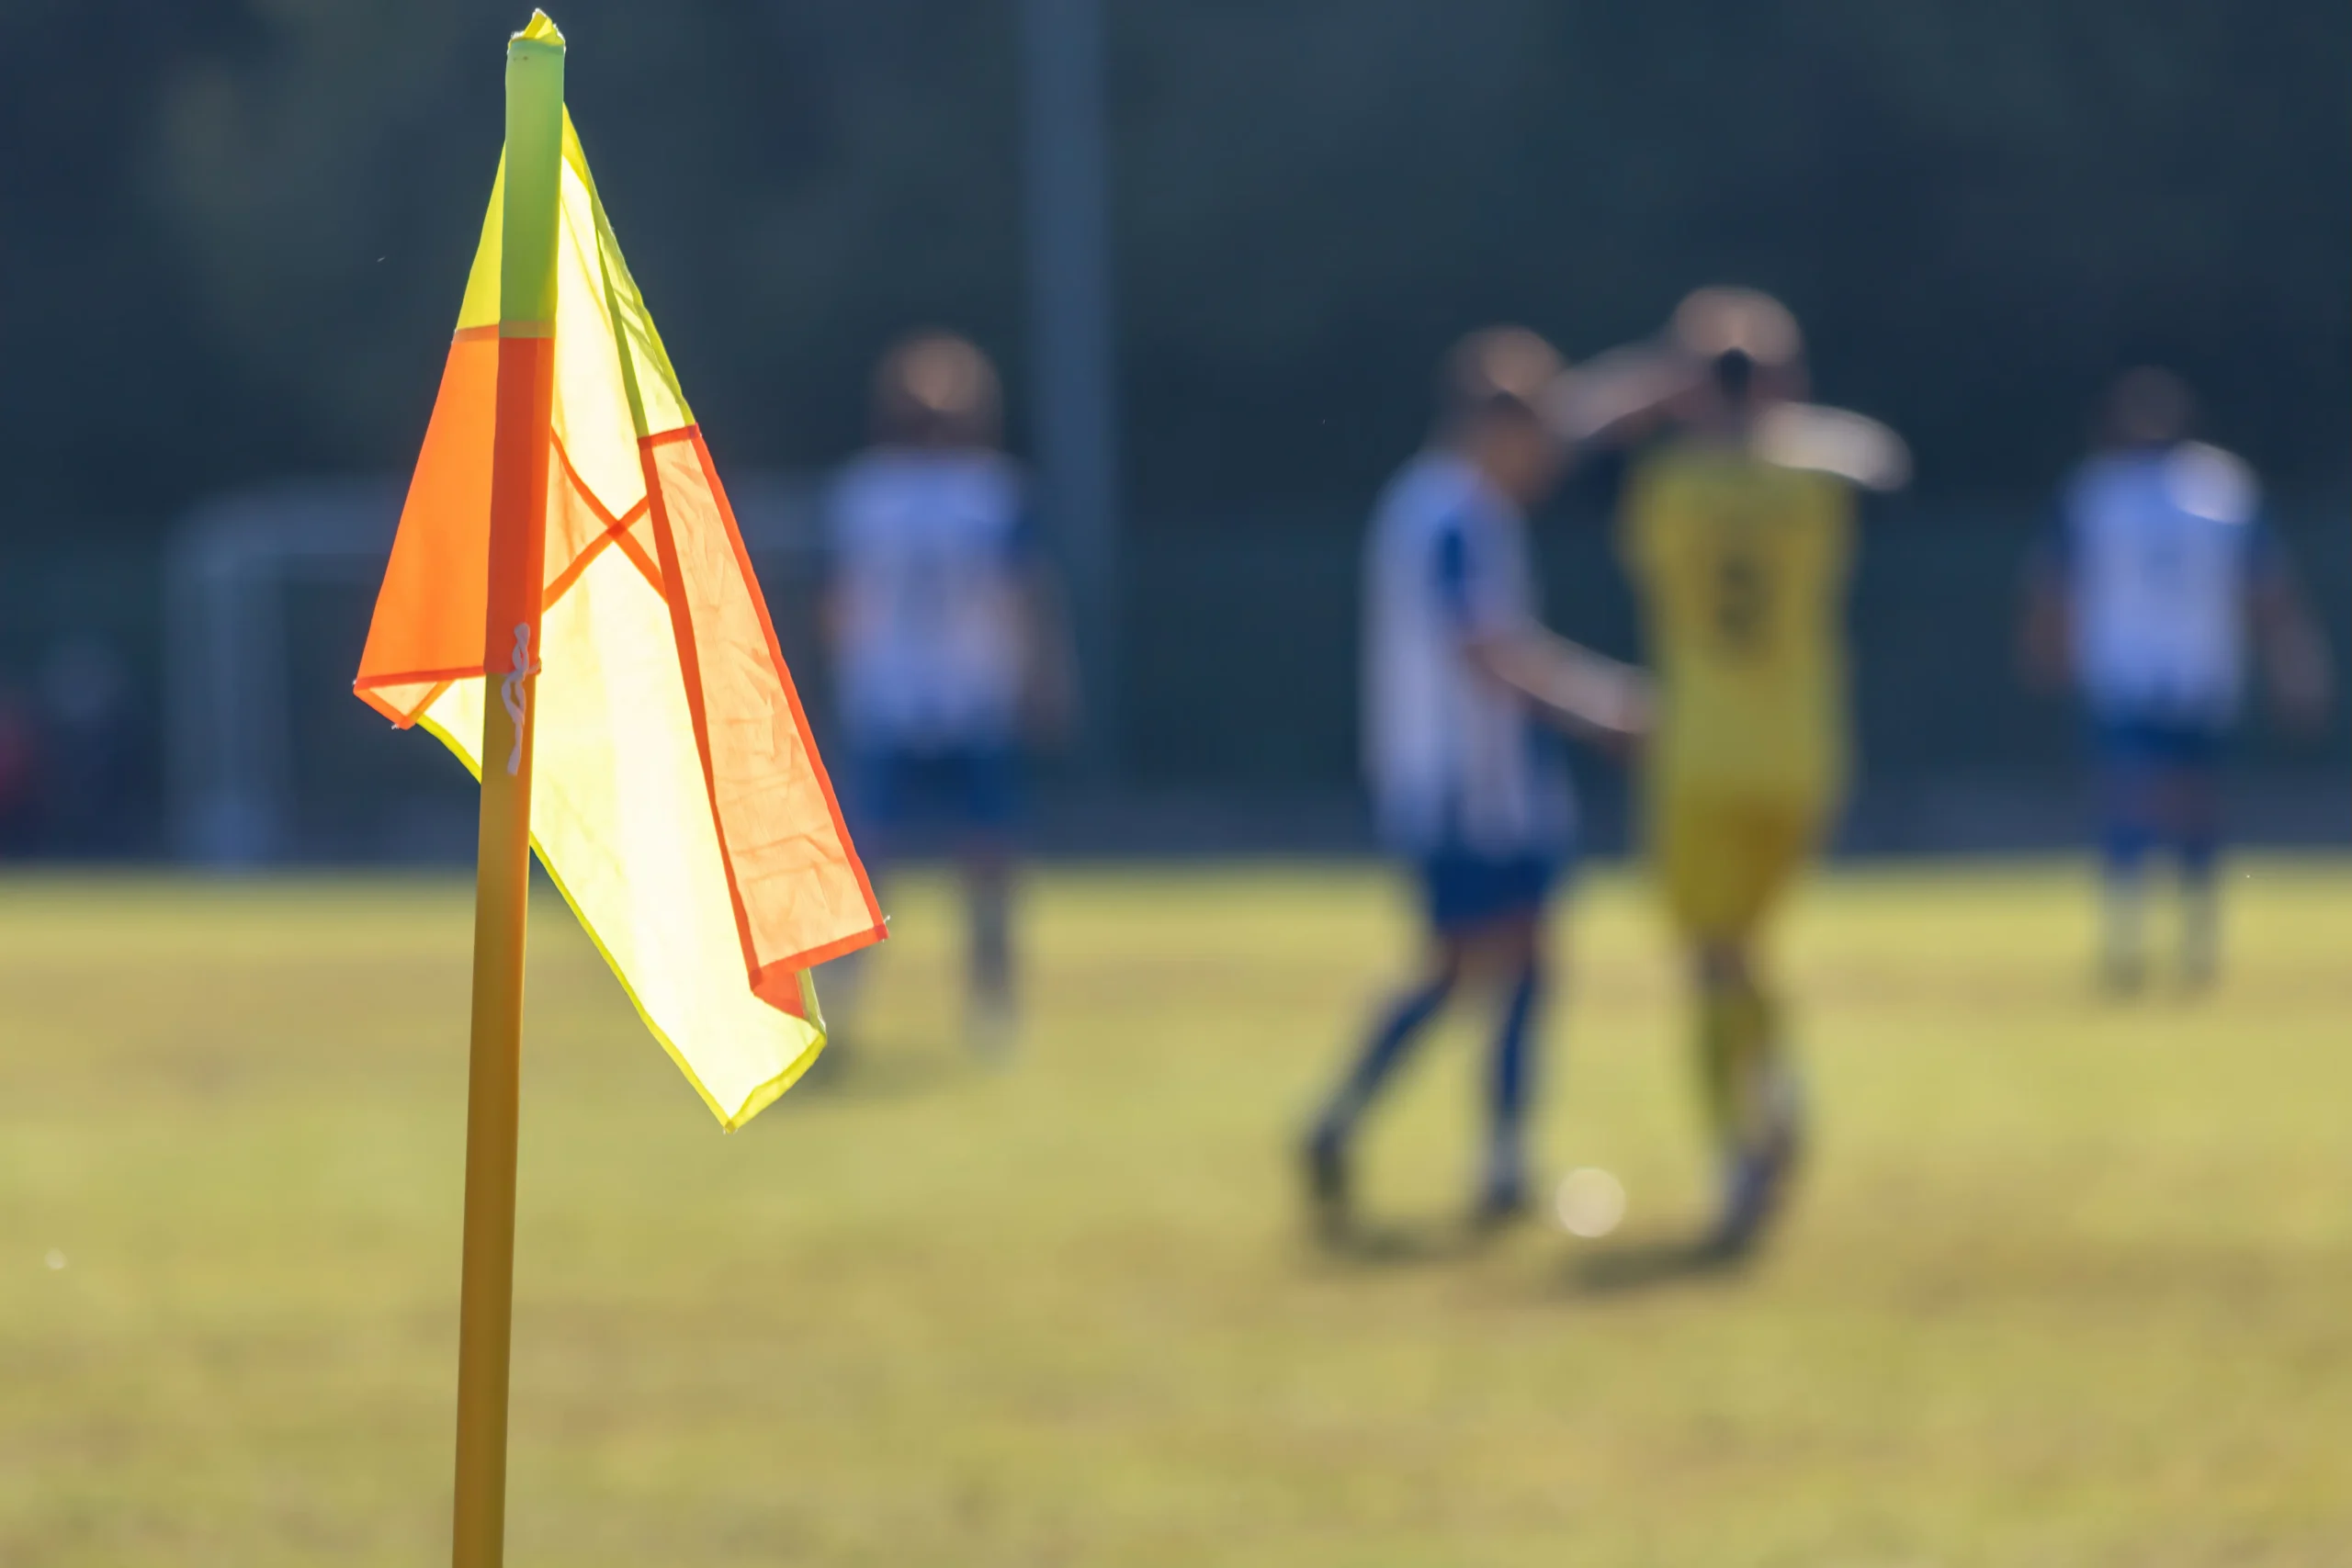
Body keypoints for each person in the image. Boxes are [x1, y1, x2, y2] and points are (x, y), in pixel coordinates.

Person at [1302, 326, 1650, 1238]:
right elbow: (1483, 647)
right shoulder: (1453, 511)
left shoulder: (1447, 500)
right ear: (1499, 429)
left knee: (1490, 965)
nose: (1548, 462)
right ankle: (1451, 1144)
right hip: (1468, 783)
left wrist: (1658, 381)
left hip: (1480, 780)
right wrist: (1597, 704)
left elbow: (1577, 421)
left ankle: (1406, 1135)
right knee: (1481, 963)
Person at [1601, 287, 1907, 1260]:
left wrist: (1670, 399)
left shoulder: (1668, 490)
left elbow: (1575, 427)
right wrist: (1779, 422)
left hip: (1698, 752)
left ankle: (1742, 1145)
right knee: (1746, 952)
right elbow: (1882, 457)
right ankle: (1777, 1091)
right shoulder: (1814, 483)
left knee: (1709, 961)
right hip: (1802, 754)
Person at [2019, 367, 2331, 991]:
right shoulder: (2205, 488)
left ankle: (2166, 939)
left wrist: (2044, 647)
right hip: (2165, 669)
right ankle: (2155, 938)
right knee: (2160, 801)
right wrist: (2294, 661)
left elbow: (2263, 587)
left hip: (2162, 669)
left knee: (2160, 803)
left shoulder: (2126, 490)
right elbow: (2268, 591)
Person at [821, 332, 1072, 1059]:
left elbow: (842, 605)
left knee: (978, 862)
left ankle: (988, 1007)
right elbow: (1026, 599)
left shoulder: (892, 494)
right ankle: (849, 1000)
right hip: (923, 697)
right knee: (887, 861)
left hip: (944, 696)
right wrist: (1044, 678)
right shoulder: (978, 495)